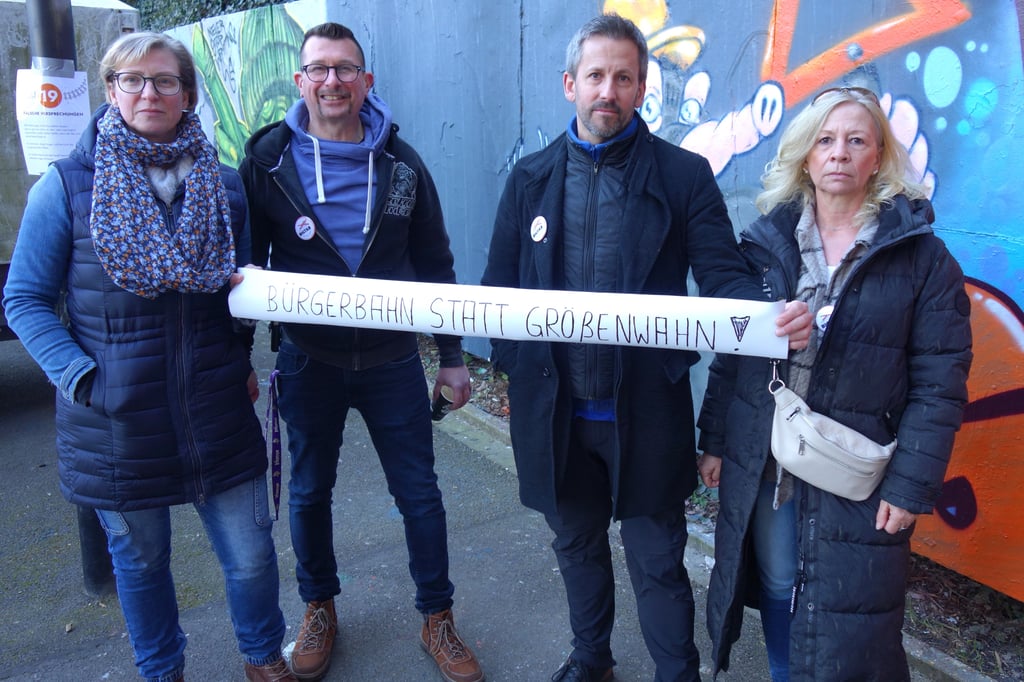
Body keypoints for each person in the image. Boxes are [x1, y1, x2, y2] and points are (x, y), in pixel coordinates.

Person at [480, 14, 811, 682]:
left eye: (624, 78)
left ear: (641, 88)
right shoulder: (529, 180)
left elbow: (724, 277)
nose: (609, 90)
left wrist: (768, 313)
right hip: (557, 417)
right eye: (596, 76)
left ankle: (676, 673)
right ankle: (591, 658)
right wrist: (525, 380)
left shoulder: (683, 176)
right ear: (570, 84)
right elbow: (498, 296)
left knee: (658, 558)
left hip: (645, 415)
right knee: (575, 546)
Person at [2, 32, 295, 682]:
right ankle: (162, 670)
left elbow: (236, 291)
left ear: (187, 93)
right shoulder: (69, 187)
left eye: (164, 80)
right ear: (110, 92)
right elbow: (22, 299)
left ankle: (263, 656)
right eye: (132, 81)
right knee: (140, 563)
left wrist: (241, 360)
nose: (148, 92)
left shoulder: (224, 186)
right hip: (117, 423)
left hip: (215, 411)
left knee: (250, 555)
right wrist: (79, 377)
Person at [696, 86, 972, 681]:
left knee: (853, 615)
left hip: (859, 471)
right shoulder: (766, 248)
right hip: (769, 464)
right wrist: (715, 438)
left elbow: (939, 384)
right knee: (775, 585)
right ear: (805, 156)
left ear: (878, 157)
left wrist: (910, 485)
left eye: (856, 140)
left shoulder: (923, 260)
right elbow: (732, 352)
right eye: (825, 140)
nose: (839, 153)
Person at [238, 22, 483, 682]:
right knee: (310, 494)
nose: (333, 81)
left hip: (393, 362)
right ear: (300, 81)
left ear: (366, 80)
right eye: (319, 69)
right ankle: (319, 609)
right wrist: (241, 364)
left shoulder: (402, 166)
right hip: (307, 362)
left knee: (421, 498)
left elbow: (435, 263)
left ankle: (438, 619)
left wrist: (454, 357)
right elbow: (242, 271)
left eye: (345, 69)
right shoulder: (265, 162)